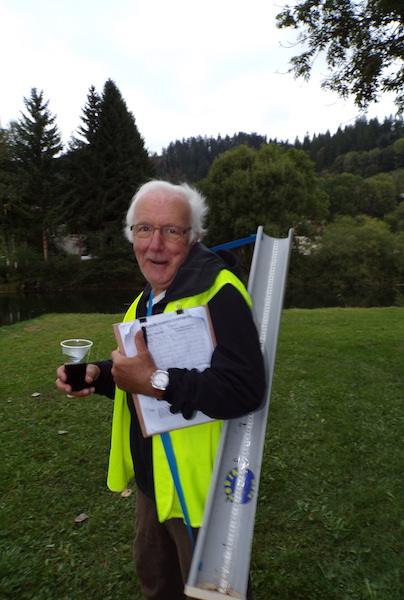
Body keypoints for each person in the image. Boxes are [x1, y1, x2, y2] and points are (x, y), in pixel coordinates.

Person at [55, 180, 266, 600]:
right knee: (157, 583)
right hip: (154, 482)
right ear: (131, 235)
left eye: (171, 230)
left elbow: (245, 388)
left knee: (211, 594)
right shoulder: (148, 298)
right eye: (144, 229)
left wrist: (155, 382)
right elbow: (140, 370)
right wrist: (100, 374)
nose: (156, 244)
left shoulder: (219, 292)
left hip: (201, 494)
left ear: (194, 236)